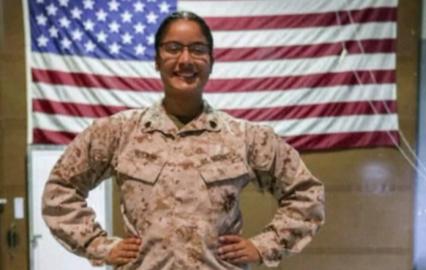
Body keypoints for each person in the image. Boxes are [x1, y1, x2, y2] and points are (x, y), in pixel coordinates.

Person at [42, 11, 325, 270]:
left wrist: (264, 246)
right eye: (173, 48)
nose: (185, 60)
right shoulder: (118, 133)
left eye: (198, 50)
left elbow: (306, 194)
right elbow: (60, 190)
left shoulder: (245, 137)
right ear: (156, 59)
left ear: (211, 62)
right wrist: (100, 246)